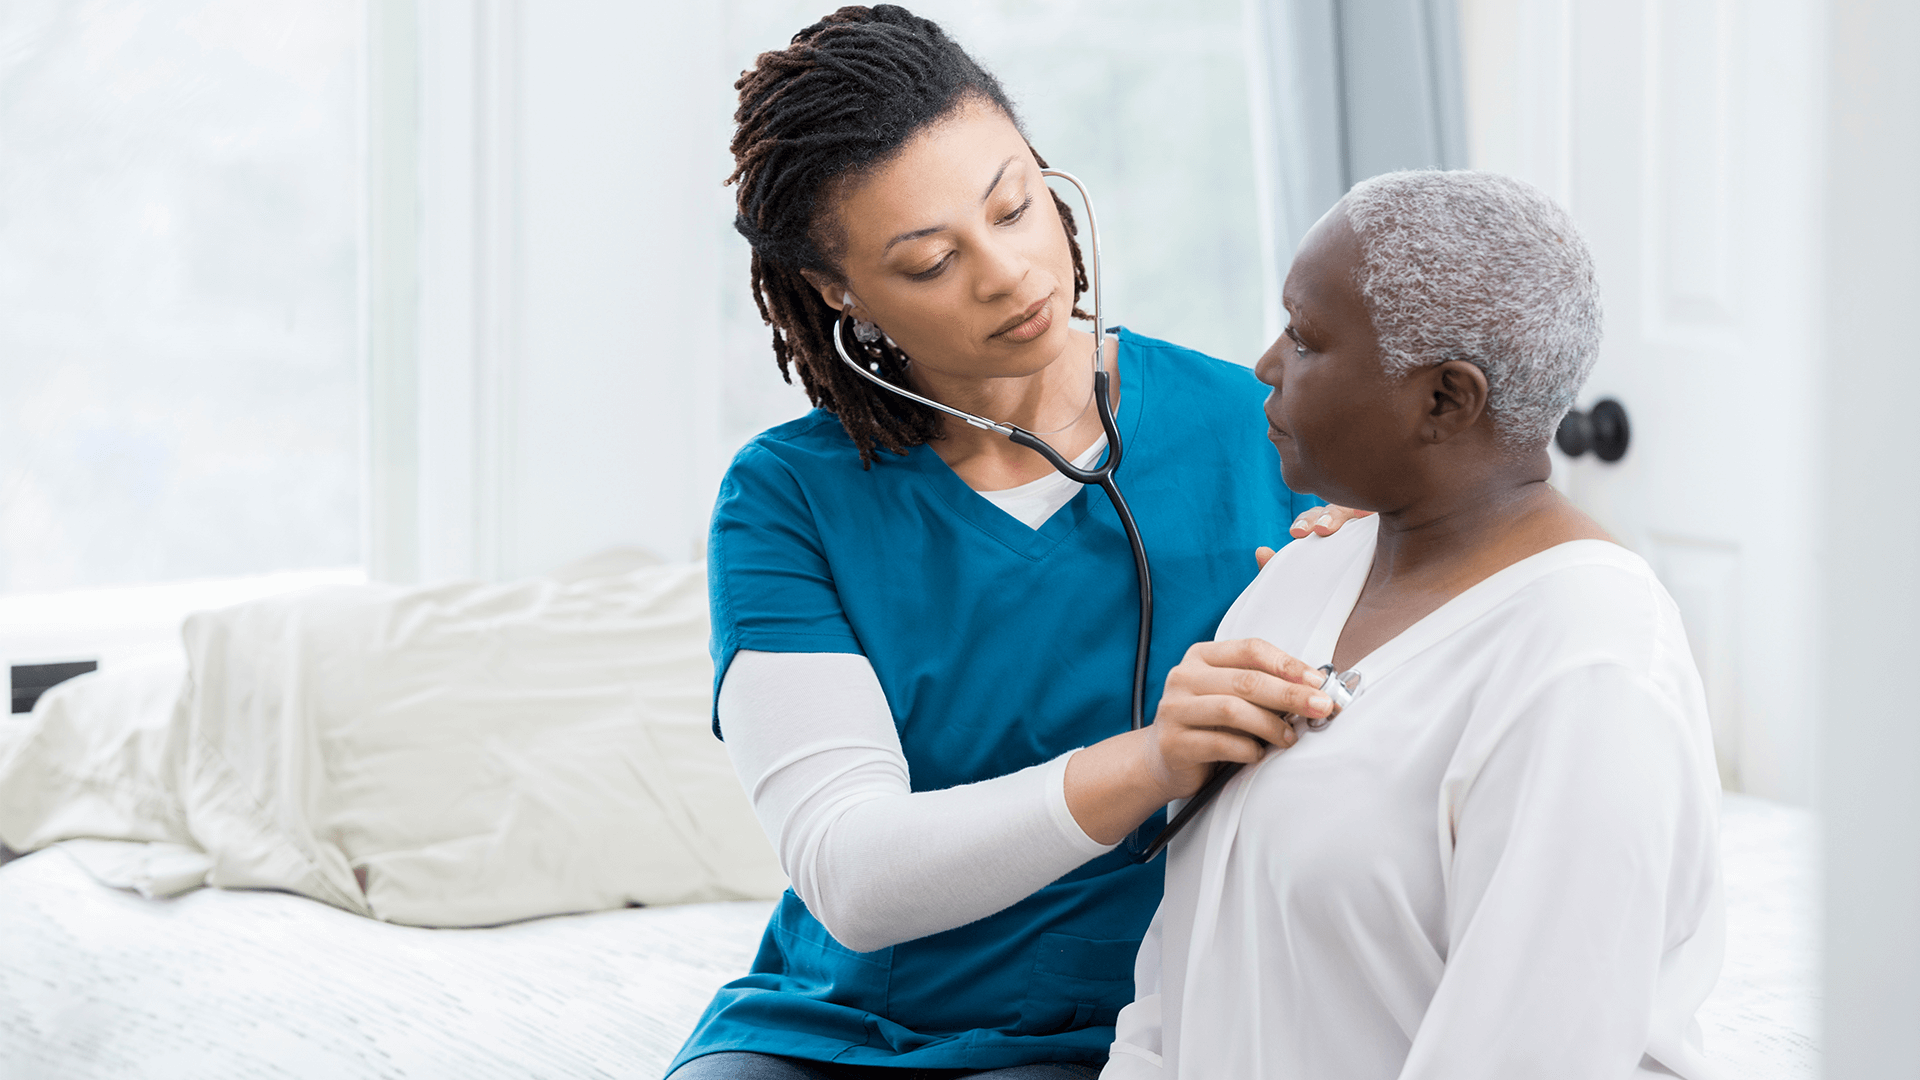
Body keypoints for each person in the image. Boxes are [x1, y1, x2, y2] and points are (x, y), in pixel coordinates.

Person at [669, 6, 1366, 1077]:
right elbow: (852, 877)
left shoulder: (1258, 430)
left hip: (1152, 1025)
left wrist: (1376, 595)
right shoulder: (787, 500)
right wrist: (1152, 761)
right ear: (839, 291)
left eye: (1014, 205)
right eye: (931, 259)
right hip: (842, 1032)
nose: (1007, 274)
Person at [1103, 171, 1724, 1079]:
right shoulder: (1302, 577)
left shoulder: (1590, 669)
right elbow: (1185, 958)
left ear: (1445, 400)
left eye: (1306, 339)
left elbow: (1526, 1057)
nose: (1264, 366)